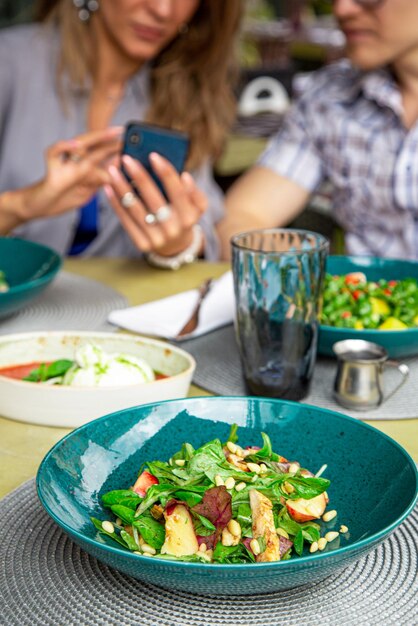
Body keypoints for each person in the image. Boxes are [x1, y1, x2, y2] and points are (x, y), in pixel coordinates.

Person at [0, 0, 242, 263]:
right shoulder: (11, 63)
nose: (162, 10)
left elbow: (206, 226)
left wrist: (180, 244)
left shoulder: (187, 96)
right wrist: (20, 206)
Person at [218, 0, 418, 261]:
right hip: (369, 296)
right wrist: (288, 277)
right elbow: (241, 218)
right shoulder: (329, 97)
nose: (342, 9)